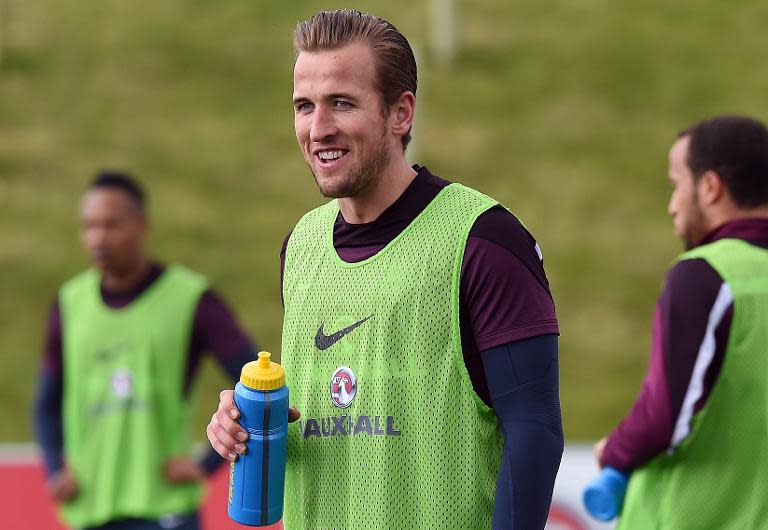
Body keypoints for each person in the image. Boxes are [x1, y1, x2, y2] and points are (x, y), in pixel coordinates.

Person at [207, 9, 562, 529]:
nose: (318, 128)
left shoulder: (483, 239)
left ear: (401, 114)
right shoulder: (300, 245)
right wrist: (243, 424)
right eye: (304, 106)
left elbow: (535, 429)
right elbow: (334, 414)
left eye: (341, 103)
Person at [33, 171, 259, 530]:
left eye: (111, 225)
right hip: (89, 510)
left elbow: (255, 381)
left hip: (165, 509)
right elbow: (46, 402)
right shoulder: (70, 303)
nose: (98, 238)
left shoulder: (191, 299)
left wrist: (207, 463)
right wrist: (55, 469)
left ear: (141, 225)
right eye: (89, 226)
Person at [595, 116, 768, 528]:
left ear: (709, 187)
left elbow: (664, 416)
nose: (672, 204)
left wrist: (613, 451)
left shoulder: (705, 274)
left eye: (676, 185)